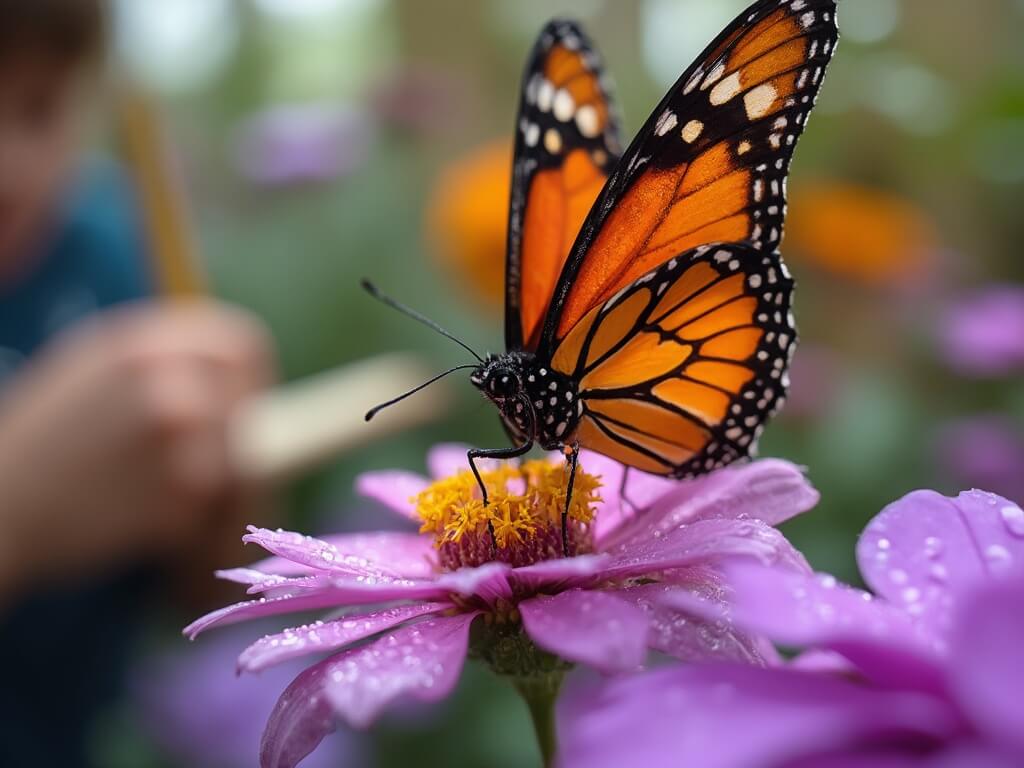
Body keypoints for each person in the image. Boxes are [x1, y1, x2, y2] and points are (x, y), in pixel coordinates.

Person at [0, 2, 275, 764]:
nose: (9, 163)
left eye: (39, 109)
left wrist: (226, 490)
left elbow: (206, 588)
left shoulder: (111, 246)